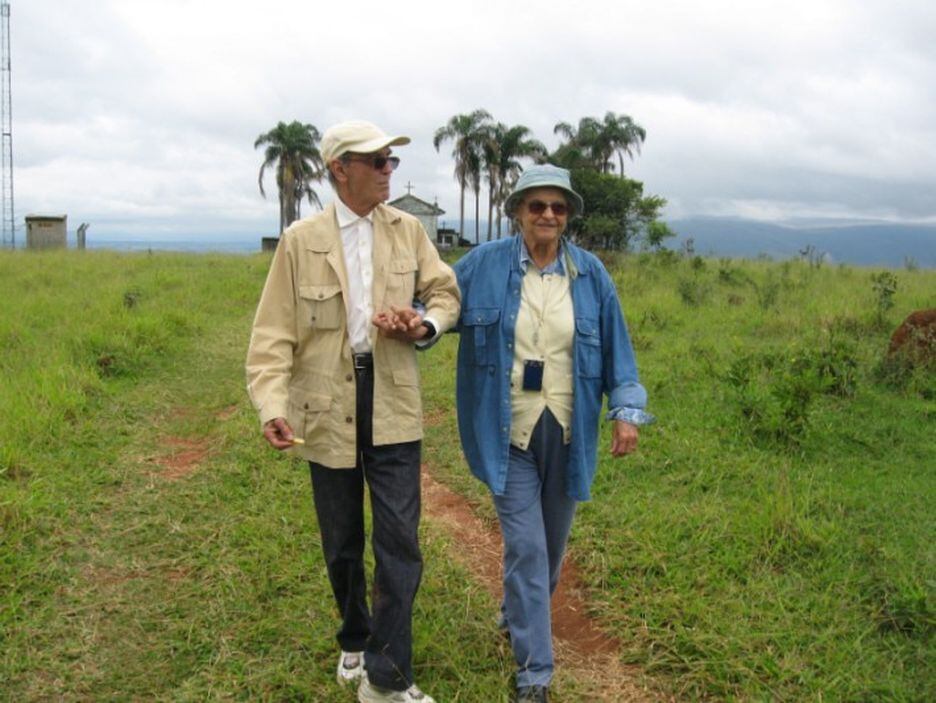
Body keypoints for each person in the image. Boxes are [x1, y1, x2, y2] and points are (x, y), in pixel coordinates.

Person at [245, 120, 460, 703]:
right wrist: (271, 403)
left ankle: (387, 678)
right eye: (379, 161)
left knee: (400, 541)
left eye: (391, 160)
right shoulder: (301, 240)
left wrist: (422, 324)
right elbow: (272, 335)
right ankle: (355, 634)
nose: (390, 170)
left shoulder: (409, 231)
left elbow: (445, 293)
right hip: (325, 402)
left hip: (392, 397)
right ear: (341, 168)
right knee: (342, 541)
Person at [451, 164, 653, 703]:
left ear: (568, 217)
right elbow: (438, 304)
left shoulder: (590, 275)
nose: (547, 215)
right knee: (528, 548)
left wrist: (626, 410)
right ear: (517, 210)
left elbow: (618, 352)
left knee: (552, 548)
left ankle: (517, 609)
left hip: (568, 431)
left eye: (558, 208)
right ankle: (535, 673)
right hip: (506, 429)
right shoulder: (481, 265)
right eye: (537, 205)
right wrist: (415, 320)